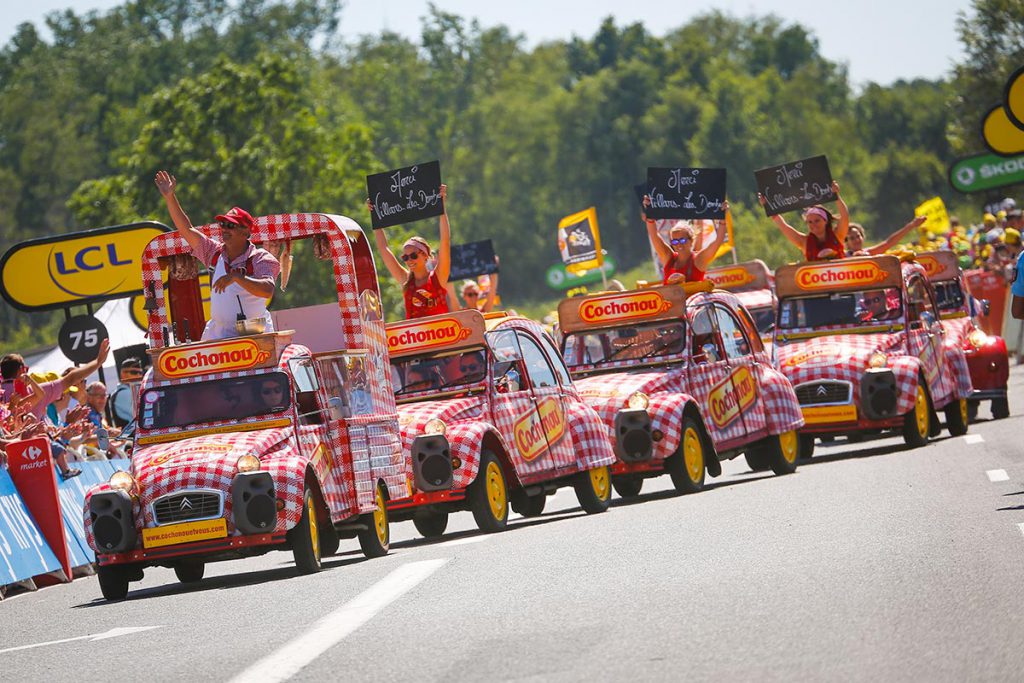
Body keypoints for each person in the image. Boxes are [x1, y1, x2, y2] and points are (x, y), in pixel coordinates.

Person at [155, 170, 281, 340]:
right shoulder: (213, 253)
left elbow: (267, 290)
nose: (224, 229)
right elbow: (187, 230)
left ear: (246, 232)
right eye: (223, 224)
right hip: (218, 335)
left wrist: (237, 277)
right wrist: (169, 197)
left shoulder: (260, 258)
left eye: (231, 225)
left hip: (256, 336)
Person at [369, 184, 451, 319]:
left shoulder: (438, 277)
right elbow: (384, 249)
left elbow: (445, 242)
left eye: (413, 255)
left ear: (425, 256)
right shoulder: (406, 281)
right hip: (416, 338)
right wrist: (375, 215)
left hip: (442, 338)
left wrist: (442, 207)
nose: (409, 260)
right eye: (405, 258)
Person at [1, 339, 110, 421]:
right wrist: (97, 362)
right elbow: (71, 378)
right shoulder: (35, 393)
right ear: (22, 370)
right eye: (26, 369)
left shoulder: (3, 397)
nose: (64, 395)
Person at [642, 197, 729, 284]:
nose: (679, 245)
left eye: (682, 240)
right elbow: (654, 236)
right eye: (675, 242)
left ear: (691, 241)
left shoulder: (699, 259)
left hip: (694, 297)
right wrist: (649, 215)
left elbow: (718, 241)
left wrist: (722, 218)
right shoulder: (668, 257)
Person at [759, 181, 849, 260]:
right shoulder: (804, 242)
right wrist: (768, 206)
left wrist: (836, 195)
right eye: (810, 222)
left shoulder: (838, 235)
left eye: (817, 220)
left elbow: (844, 216)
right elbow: (783, 226)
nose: (813, 224)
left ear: (825, 221)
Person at [844, 217, 927, 256]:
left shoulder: (868, 253)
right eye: (852, 238)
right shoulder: (843, 256)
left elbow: (889, 242)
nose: (856, 240)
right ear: (846, 242)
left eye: (858, 236)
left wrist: (911, 225)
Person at [109, 358, 143, 428]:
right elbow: (142, 416)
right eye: (134, 372)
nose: (138, 375)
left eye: (140, 373)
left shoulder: (128, 391)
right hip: (132, 437)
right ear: (123, 373)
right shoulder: (124, 393)